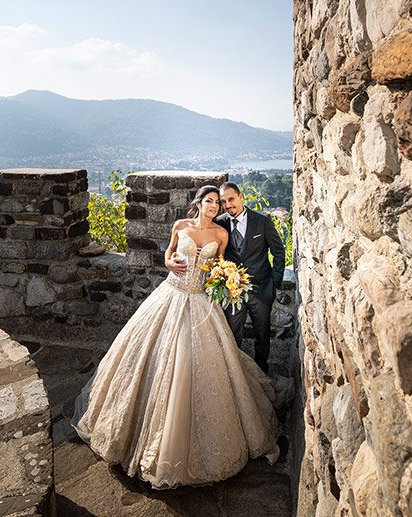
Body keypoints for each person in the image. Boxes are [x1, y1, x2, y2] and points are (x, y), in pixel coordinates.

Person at [72, 185, 279, 489]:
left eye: (217, 203)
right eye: (209, 201)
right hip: (169, 295)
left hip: (198, 301)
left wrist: (225, 279)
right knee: (150, 358)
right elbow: (168, 253)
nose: (213, 206)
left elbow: (219, 267)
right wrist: (168, 262)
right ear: (199, 203)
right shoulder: (180, 226)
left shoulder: (220, 236)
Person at [213, 182, 285, 373]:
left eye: (231, 199)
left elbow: (278, 252)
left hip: (261, 291)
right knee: (232, 334)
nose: (228, 205)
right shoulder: (219, 223)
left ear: (240, 196)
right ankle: (236, 375)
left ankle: (261, 373)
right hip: (232, 293)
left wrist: (274, 283)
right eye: (223, 202)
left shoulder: (262, 220)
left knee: (262, 335)